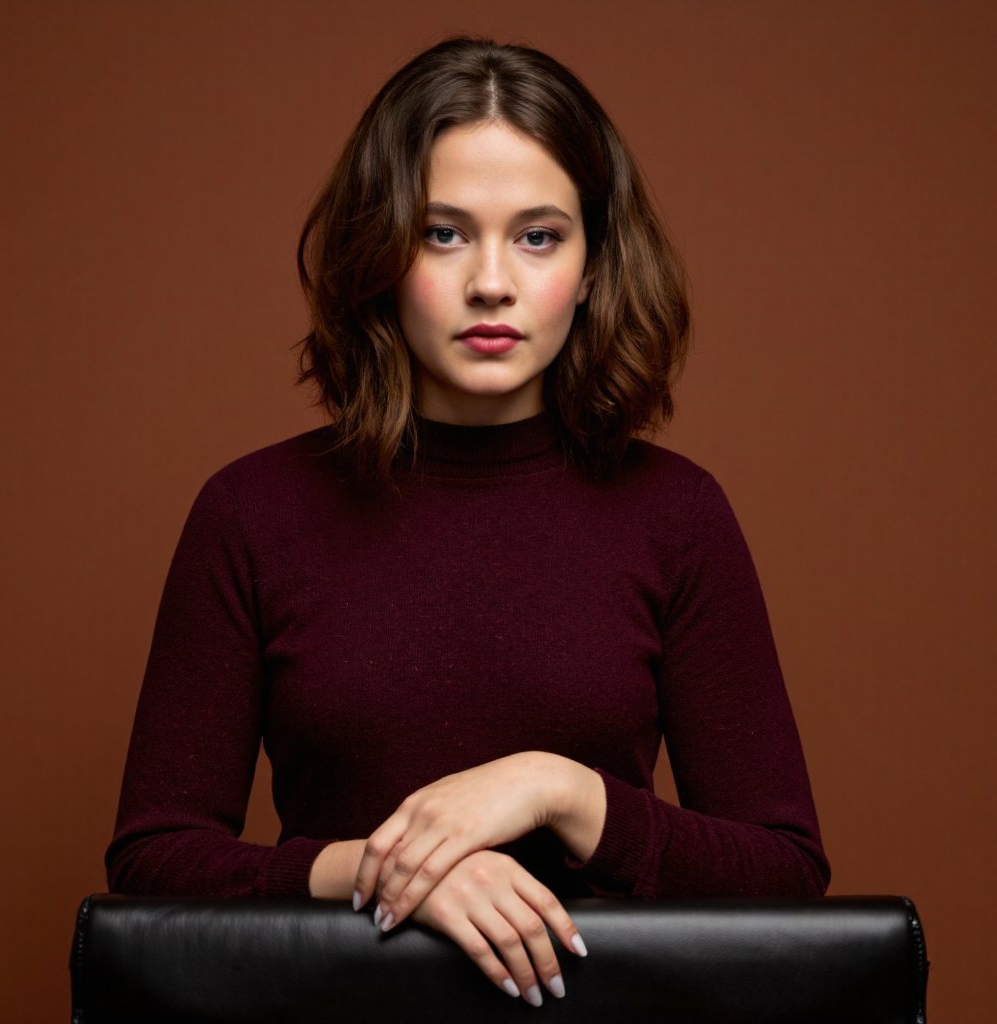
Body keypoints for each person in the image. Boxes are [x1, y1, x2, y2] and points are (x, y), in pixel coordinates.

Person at [106, 36, 829, 1009]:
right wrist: (390, 867)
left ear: (594, 259)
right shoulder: (250, 512)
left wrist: (557, 789)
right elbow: (152, 861)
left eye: (538, 236)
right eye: (442, 232)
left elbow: (785, 872)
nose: (492, 281)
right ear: (378, 250)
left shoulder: (676, 515)